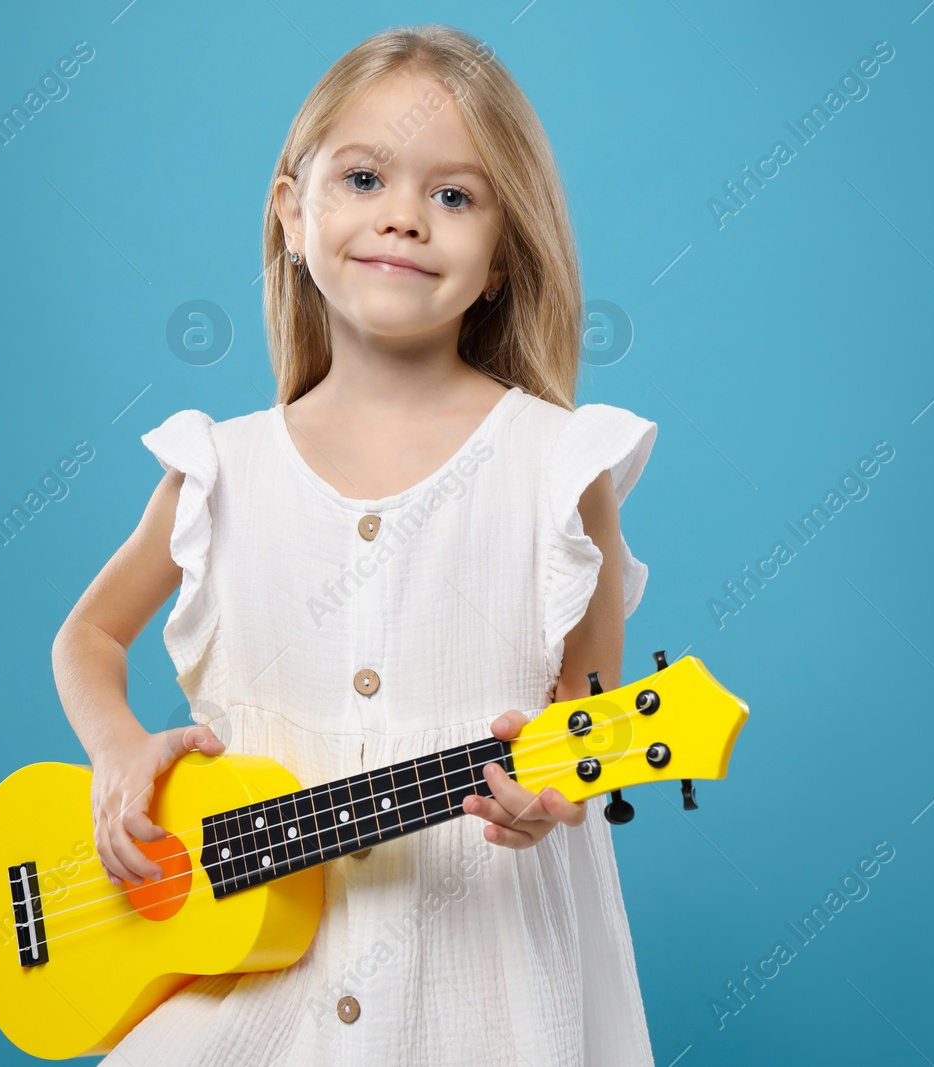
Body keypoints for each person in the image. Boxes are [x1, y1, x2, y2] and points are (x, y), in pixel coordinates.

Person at [51, 22, 658, 1066]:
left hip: (479, 986)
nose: (403, 219)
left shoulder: (561, 469)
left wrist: (556, 795)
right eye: (365, 177)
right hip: (242, 973)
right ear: (293, 214)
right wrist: (117, 755)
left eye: (454, 196)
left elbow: (588, 720)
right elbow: (89, 636)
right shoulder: (220, 470)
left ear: (505, 252)